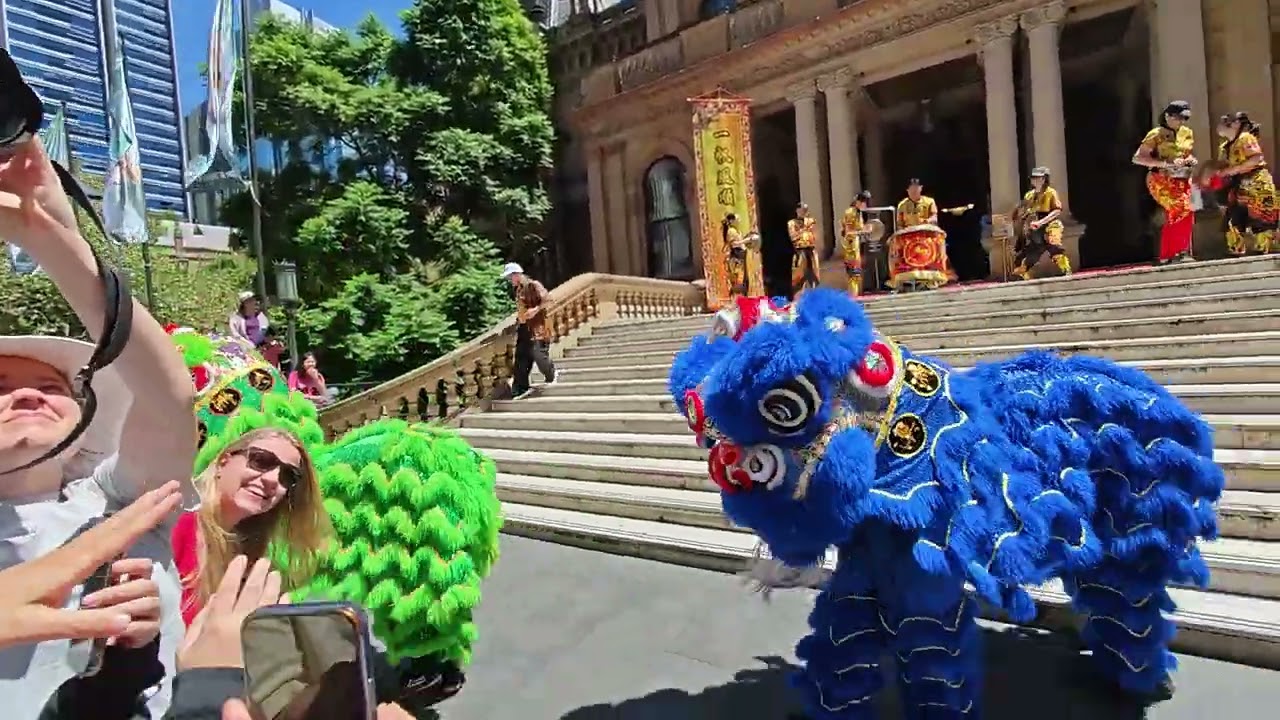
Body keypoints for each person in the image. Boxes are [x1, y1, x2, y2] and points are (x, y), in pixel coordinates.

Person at [0, 135, 198, 717]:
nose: (28, 394)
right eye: (0, 387)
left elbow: (169, 396)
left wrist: (51, 238)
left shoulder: (120, 499)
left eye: (52, 387)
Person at [166, 330, 333, 627]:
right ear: (223, 461)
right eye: (261, 460)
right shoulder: (176, 527)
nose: (273, 480)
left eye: (288, 476)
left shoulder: (251, 554)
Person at [1133, 100, 1198, 264]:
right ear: (1168, 116)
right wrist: (1165, 163)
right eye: (1178, 118)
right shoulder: (1156, 134)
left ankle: (1170, 253)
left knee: (1188, 210)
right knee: (1181, 208)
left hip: (1183, 178)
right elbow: (1138, 158)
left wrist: (1190, 159)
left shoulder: (1187, 133)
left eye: (1185, 118)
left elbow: (1186, 153)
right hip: (1160, 179)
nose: (1182, 122)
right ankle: (1178, 252)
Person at [1216, 111, 1278, 255]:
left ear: (1236, 124)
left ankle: (1262, 247)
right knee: (1233, 216)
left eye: (1225, 121)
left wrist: (1234, 169)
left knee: (1260, 216)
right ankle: (1236, 248)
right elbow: (1222, 166)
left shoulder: (1246, 138)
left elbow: (1256, 158)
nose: (1220, 125)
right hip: (1238, 183)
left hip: (1256, 181)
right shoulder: (1224, 146)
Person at [502, 262, 556, 399]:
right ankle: (521, 387)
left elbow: (549, 300)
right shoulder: (518, 290)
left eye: (510, 277)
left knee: (539, 354)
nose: (509, 280)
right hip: (524, 328)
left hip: (538, 327)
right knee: (521, 358)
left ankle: (551, 373)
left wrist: (535, 310)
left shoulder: (534, 285)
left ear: (517, 274)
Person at [1011, 166, 1072, 278]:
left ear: (1044, 179)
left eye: (1037, 178)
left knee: (1053, 244)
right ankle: (1021, 273)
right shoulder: (1029, 195)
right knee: (1032, 250)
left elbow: (1057, 210)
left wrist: (1042, 222)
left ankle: (1065, 269)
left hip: (1050, 223)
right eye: (1033, 178)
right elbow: (1024, 210)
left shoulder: (1051, 192)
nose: (1034, 180)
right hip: (1034, 226)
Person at [840, 191, 872, 295]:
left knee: (856, 274)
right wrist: (863, 231)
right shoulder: (851, 213)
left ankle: (855, 294)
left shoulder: (858, 213)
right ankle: (853, 295)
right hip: (851, 247)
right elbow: (848, 231)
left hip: (856, 246)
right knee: (853, 273)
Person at [787, 202, 820, 296]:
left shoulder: (811, 221)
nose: (803, 212)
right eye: (801, 210)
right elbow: (793, 237)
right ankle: (799, 296)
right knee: (799, 276)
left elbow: (815, 235)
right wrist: (804, 230)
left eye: (805, 210)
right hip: (800, 251)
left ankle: (814, 295)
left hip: (811, 250)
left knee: (814, 274)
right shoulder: (792, 223)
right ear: (797, 211)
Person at [723, 213, 749, 298]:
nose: (738, 221)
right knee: (739, 276)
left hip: (741, 253)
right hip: (737, 253)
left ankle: (742, 295)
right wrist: (745, 241)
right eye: (736, 219)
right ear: (731, 221)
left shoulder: (736, 230)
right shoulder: (731, 231)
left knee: (743, 276)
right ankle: (737, 295)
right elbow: (734, 244)